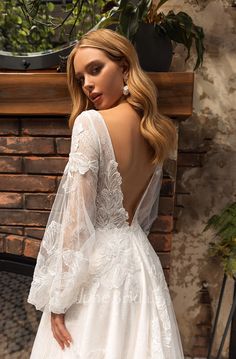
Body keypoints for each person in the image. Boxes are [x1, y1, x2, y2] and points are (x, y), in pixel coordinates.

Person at [27, 28, 184, 358]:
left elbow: (76, 222)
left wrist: (59, 301)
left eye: (95, 69)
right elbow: (143, 215)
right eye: (81, 77)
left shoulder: (90, 124)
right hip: (138, 263)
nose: (87, 84)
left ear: (124, 67)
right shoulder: (153, 131)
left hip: (97, 271)